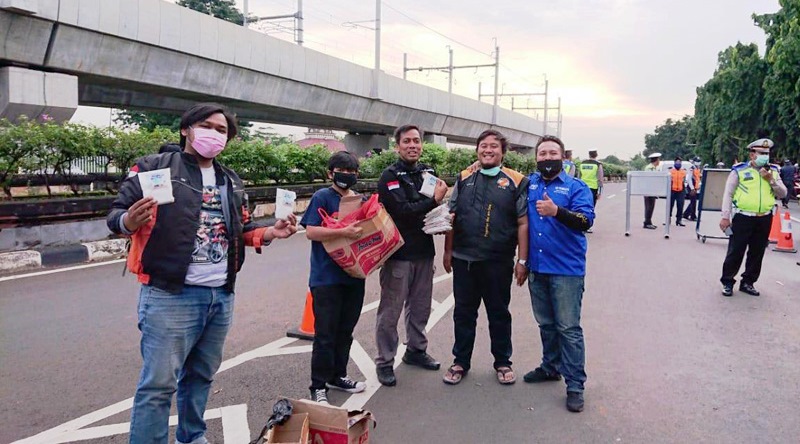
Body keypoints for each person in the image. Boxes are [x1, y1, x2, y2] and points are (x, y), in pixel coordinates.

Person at [107, 103, 298, 444]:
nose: (214, 134)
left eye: (222, 130)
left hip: (220, 295)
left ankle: (192, 437)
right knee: (158, 385)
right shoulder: (153, 168)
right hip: (169, 295)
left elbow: (242, 229)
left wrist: (271, 232)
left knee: (201, 376)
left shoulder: (230, 180)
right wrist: (129, 221)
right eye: (207, 126)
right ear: (186, 129)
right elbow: (116, 216)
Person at [442, 129, 529, 386]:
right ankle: (460, 361)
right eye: (483, 146)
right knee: (463, 313)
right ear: (477, 150)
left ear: (503, 152)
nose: (488, 150)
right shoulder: (464, 178)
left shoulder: (516, 181)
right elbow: (451, 217)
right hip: (464, 259)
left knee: (498, 313)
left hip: (498, 261)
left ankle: (503, 362)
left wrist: (522, 260)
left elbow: (523, 222)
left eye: (494, 146)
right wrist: (447, 251)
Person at [523, 135, 594, 413]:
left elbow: (586, 221)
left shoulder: (577, 187)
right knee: (546, 324)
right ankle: (550, 367)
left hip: (566, 270)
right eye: (542, 154)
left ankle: (575, 384)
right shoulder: (530, 184)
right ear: (536, 158)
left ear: (563, 157)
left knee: (568, 328)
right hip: (538, 267)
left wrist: (557, 211)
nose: (547, 158)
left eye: (553, 153)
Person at [374, 125, 448, 387]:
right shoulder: (390, 176)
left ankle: (416, 350)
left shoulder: (428, 172)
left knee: (420, 307)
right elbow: (402, 210)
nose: (413, 145)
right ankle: (384, 361)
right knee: (390, 310)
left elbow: (430, 210)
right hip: (399, 254)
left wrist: (439, 216)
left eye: (416, 141)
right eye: (407, 141)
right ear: (397, 146)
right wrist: (433, 201)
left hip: (424, 252)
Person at [300, 151, 369, 404]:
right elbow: (311, 231)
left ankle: (338, 376)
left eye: (352, 172)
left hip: (354, 276)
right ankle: (318, 385)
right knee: (325, 334)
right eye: (342, 170)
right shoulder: (322, 197)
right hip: (326, 278)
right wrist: (343, 231)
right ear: (330, 173)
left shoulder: (357, 200)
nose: (347, 175)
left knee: (345, 331)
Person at [719, 138, 787, 297]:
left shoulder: (773, 171)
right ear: (752, 155)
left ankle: (748, 282)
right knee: (736, 251)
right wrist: (725, 217)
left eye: (767, 153)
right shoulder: (739, 171)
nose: (765, 156)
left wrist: (771, 180)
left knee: (757, 253)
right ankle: (727, 282)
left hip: (764, 218)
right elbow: (728, 194)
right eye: (761, 153)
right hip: (743, 217)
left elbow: (783, 193)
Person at [579, 150, 603, 232]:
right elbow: (600, 179)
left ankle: (580, 224)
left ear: (589, 155)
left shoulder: (582, 163)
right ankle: (587, 225)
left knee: (581, 205)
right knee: (590, 207)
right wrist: (600, 192)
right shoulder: (598, 164)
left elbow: (579, 176)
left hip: (582, 187)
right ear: (596, 155)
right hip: (592, 188)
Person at [643, 152, 662, 229]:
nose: (659, 161)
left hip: (653, 190)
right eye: (658, 159)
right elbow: (648, 180)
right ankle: (646, 223)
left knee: (651, 206)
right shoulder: (649, 168)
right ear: (656, 160)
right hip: (649, 190)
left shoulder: (655, 168)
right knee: (649, 207)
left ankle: (649, 221)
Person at [669, 156, 688, 226]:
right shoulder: (670, 171)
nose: (678, 163)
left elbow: (685, 181)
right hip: (672, 190)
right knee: (670, 205)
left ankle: (679, 220)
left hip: (680, 191)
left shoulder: (683, 171)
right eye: (677, 162)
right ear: (674, 163)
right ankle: (668, 219)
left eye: (679, 162)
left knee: (680, 206)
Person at [682, 157, 702, 221]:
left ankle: (686, 214)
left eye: (699, 161)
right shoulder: (692, 168)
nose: (698, 162)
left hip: (695, 187)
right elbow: (689, 179)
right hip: (691, 186)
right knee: (693, 202)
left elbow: (698, 178)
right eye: (697, 161)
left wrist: (698, 186)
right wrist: (692, 188)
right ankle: (692, 216)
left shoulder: (698, 168)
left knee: (693, 202)